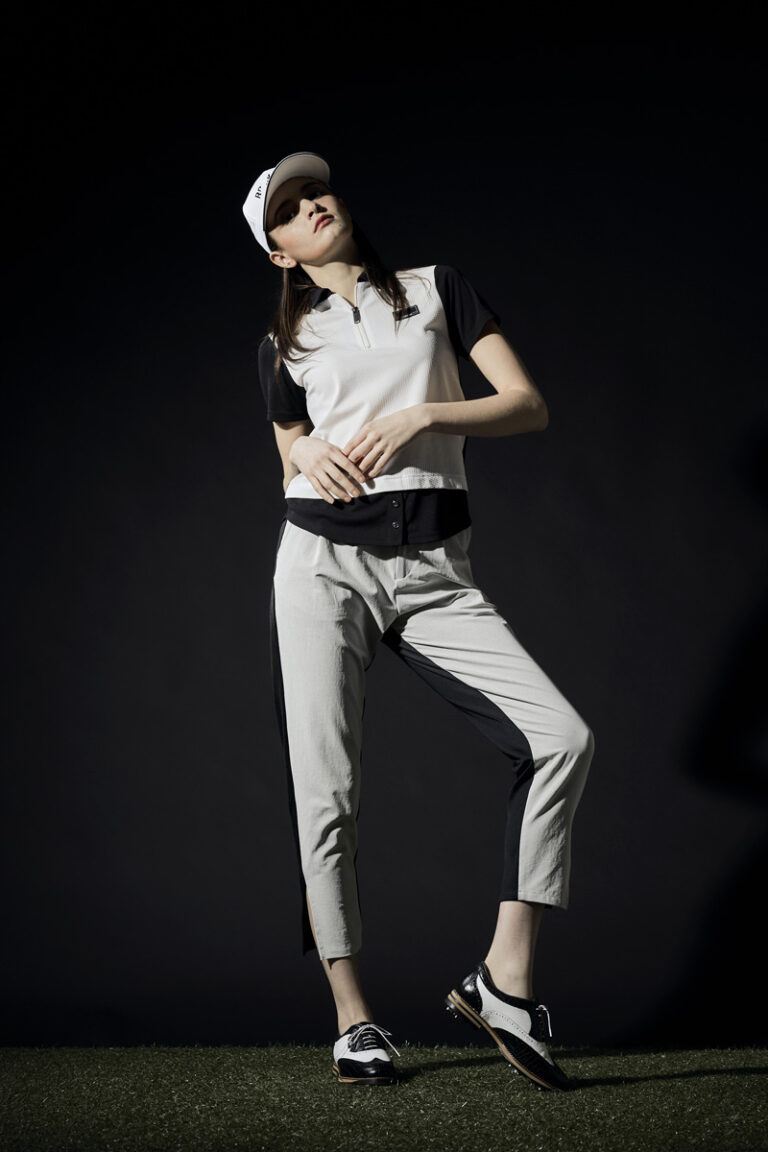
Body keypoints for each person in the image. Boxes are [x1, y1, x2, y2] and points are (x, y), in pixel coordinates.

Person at [242, 152, 595, 1091]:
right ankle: (353, 1019)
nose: (312, 206)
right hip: (322, 567)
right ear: (279, 252)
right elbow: (289, 453)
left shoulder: (437, 289)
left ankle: (505, 981)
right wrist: (304, 453)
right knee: (326, 793)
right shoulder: (285, 344)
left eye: (315, 191)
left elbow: (526, 406)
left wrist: (423, 417)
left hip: (435, 570)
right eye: (289, 209)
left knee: (561, 739)